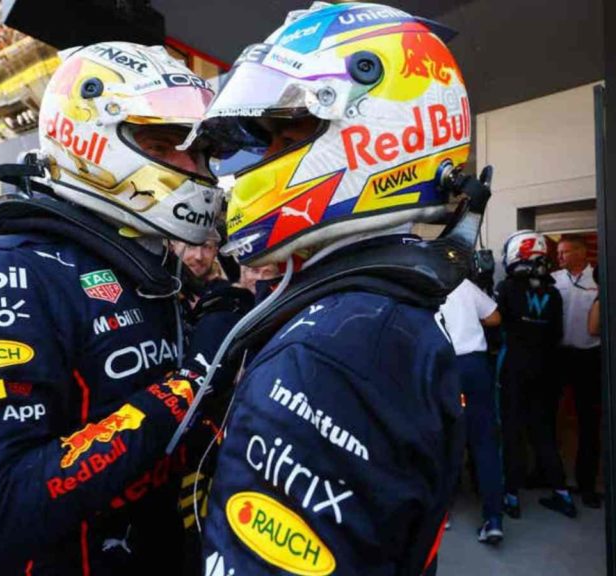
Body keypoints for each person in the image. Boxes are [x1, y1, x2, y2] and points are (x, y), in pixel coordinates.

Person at [0, 42, 240, 575]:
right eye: (164, 142)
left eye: (201, 152)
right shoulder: (5, 275)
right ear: (89, 138)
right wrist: (191, 382)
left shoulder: (157, 269)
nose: (193, 168)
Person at [189, 3, 487, 573]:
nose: (265, 156)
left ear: (380, 133)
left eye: (288, 132)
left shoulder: (335, 346)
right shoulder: (373, 307)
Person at [496, 230, 575, 518]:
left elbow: (494, 328)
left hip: (514, 368)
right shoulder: (553, 293)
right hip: (546, 369)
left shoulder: (506, 289)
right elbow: (556, 334)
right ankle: (562, 494)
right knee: (544, 432)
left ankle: (511, 496)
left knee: (511, 431)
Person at [439, 278, 505, 545]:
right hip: (475, 367)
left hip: (442, 367)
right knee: (484, 442)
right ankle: (493, 520)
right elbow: (495, 318)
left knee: (441, 440)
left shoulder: (422, 284)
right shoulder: (464, 285)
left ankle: (442, 514)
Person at [552, 235, 603, 508]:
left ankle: (587, 485)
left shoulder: (598, 279)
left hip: (588, 356)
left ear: (582, 253)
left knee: (588, 421)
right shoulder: (554, 279)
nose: (559, 257)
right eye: (558, 252)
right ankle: (549, 476)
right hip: (560, 355)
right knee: (550, 415)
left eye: (565, 252)